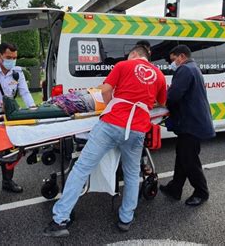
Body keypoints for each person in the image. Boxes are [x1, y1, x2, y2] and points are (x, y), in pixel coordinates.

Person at [43, 45, 167, 237]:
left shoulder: (123, 66)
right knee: (132, 174)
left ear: (134, 54)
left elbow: (105, 90)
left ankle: (60, 219)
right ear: (146, 58)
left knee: (82, 168)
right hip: (136, 128)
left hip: (112, 123)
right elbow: (161, 102)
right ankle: (126, 219)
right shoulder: (158, 75)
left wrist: (112, 105)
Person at [0, 42, 36, 205]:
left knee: (9, 152)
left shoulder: (17, 72)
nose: (12, 61)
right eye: (9, 57)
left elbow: (24, 91)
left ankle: (8, 181)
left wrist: (33, 110)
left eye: (15, 58)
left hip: (7, 117)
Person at [159, 45, 216, 206]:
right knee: (182, 155)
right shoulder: (193, 68)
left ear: (181, 56)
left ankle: (201, 192)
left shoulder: (185, 70)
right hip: (192, 122)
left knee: (189, 160)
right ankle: (175, 188)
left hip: (191, 123)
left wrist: (159, 103)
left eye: (173, 60)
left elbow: (174, 96)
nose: (172, 64)